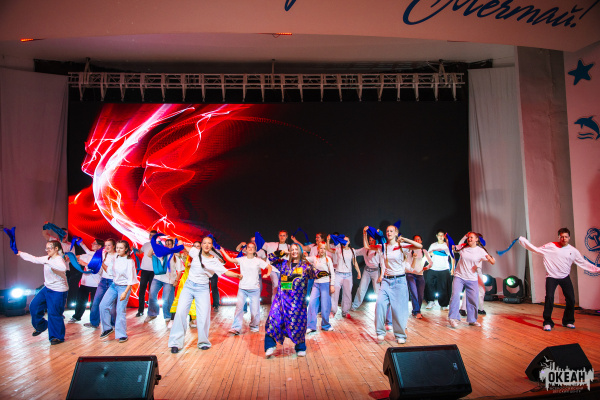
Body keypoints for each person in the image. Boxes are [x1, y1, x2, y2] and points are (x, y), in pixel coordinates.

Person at [168, 237, 241, 353]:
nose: (207, 245)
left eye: (209, 243)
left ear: (211, 246)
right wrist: (179, 243)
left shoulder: (214, 261)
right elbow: (183, 247)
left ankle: (203, 342)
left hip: (202, 289)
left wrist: (237, 275)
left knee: (203, 315)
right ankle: (175, 343)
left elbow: (226, 272)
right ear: (201, 245)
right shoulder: (195, 252)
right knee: (180, 312)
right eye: (205, 243)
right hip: (188, 286)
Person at [519, 228, 600, 331]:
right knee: (549, 298)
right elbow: (536, 249)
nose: (564, 239)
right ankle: (547, 322)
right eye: (562, 237)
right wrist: (523, 241)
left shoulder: (573, 251)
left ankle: (568, 321)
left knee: (571, 299)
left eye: (566, 237)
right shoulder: (551, 246)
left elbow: (583, 263)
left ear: (569, 237)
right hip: (551, 277)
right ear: (559, 237)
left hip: (565, 277)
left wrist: (597, 269)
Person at [364, 225, 422, 344]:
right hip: (386, 281)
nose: (389, 233)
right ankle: (380, 332)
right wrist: (364, 234)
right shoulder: (383, 246)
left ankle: (400, 335)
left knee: (398, 310)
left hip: (399, 281)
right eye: (387, 231)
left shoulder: (401, 246)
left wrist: (404, 239)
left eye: (391, 231)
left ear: (396, 233)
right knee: (380, 304)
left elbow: (419, 246)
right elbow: (367, 246)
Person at [264, 243, 319, 357]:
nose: (294, 251)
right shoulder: (283, 264)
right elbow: (270, 258)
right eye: (292, 249)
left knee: (298, 325)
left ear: (300, 252)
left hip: (297, 303)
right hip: (281, 300)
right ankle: (270, 345)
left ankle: (300, 348)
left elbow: (316, 273)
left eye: (296, 249)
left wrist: (325, 271)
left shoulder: (305, 266)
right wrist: (282, 252)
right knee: (272, 320)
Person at [18, 240, 68, 344]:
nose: (47, 250)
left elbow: (62, 268)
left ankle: (57, 337)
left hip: (58, 290)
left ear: (56, 249)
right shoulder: (47, 258)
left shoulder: (59, 259)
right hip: (47, 288)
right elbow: (34, 259)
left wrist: (47, 262)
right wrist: (20, 253)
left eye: (50, 248)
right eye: (46, 248)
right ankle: (41, 326)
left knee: (54, 313)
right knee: (34, 306)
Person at [220, 242, 272, 334]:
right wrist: (222, 250)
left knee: (255, 311)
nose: (250, 249)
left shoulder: (258, 260)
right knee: (239, 308)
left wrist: (267, 274)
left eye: (252, 247)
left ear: (255, 250)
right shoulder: (242, 259)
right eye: (249, 247)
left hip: (254, 289)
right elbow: (230, 260)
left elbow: (269, 267)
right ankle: (236, 328)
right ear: (246, 249)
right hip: (242, 289)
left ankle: (254, 325)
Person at [447, 232, 495, 328]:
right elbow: (454, 247)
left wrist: (490, 258)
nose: (469, 239)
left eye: (471, 237)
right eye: (468, 237)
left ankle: (472, 320)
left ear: (476, 239)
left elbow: (492, 262)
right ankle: (452, 318)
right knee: (455, 295)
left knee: (473, 299)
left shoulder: (481, 251)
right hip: (459, 276)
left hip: (472, 278)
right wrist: (462, 236)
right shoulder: (463, 247)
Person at [99, 240, 138, 342]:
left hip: (124, 287)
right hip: (114, 285)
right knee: (103, 305)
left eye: (121, 248)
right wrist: (101, 262)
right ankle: (107, 328)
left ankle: (122, 334)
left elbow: (131, 279)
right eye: (117, 248)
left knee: (120, 310)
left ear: (126, 249)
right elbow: (109, 271)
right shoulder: (115, 258)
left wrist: (125, 292)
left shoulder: (129, 261)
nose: (118, 250)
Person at [146, 238, 184, 324]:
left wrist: (176, 281)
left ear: (172, 245)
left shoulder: (175, 255)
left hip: (169, 280)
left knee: (166, 298)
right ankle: (152, 314)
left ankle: (168, 316)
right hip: (158, 278)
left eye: (169, 244)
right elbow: (149, 255)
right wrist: (154, 245)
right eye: (166, 244)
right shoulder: (160, 253)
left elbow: (180, 270)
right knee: (151, 294)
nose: (167, 245)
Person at [68, 239, 104, 323]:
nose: (92, 244)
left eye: (95, 243)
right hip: (84, 283)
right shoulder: (87, 255)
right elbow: (76, 257)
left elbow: (98, 270)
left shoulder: (102, 256)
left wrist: (85, 264)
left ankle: (94, 321)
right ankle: (76, 317)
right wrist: (68, 256)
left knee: (94, 304)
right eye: (93, 242)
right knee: (80, 301)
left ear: (99, 246)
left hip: (96, 284)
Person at [84, 238, 117, 329]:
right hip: (103, 281)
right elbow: (91, 254)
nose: (107, 247)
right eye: (105, 245)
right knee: (96, 302)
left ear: (114, 246)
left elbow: (110, 271)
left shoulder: (117, 256)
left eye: (109, 245)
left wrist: (101, 262)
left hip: (112, 282)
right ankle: (94, 322)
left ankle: (113, 323)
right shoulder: (103, 254)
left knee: (112, 304)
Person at [327, 235, 361, 318]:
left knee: (347, 294)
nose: (345, 242)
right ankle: (333, 311)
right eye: (343, 240)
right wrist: (328, 240)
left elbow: (354, 262)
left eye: (346, 241)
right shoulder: (338, 249)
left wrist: (359, 272)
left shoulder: (352, 251)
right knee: (334, 293)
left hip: (348, 275)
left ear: (349, 242)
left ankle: (345, 311)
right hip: (338, 274)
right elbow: (328, 249)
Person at [306, 242, 335, 332]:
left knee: (325, 305)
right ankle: (311, 326)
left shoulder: (328, 259)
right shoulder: (315, 258)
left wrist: (332, 285)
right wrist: (301, 254)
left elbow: (332, 273)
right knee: (312, 303)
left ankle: (325, 325)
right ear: (318, 249)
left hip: (326, 283)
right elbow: (304, 258)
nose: (322, 250)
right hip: (316, 284)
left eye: (324, 248)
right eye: (321, 248)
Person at [405, 235, 433, 319]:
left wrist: (426, 267)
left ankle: (416, 310)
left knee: (420, 295)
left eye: (418, 239)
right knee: (414, 293)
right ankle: (417, 311)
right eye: (415, 240)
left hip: (420, 275)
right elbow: (406, 262)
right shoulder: (409, 250)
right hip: (410, 274)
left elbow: (431, 262)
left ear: (421, 241)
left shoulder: (424, 251)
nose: (417, 241)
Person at [351, 235, 382, 310]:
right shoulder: (365, 248)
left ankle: (380, 307)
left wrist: (381, 275)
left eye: (372, 240)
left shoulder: (378, 248)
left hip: (375, 271)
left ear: (375, 241)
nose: (371, 242)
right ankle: (355, 306)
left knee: (377, 290)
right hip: (367, 270)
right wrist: (351, 250)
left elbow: (382, 263)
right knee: (361, 289)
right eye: (370, 240)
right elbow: (356, 252)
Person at [425, 229, 454, 310]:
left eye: (442, 235)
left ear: (444, 236)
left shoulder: (447, 245)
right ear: (436, 236)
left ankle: (444, 304)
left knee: (443, 287)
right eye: (439, 235)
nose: (441, 237)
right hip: (433, 268)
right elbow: (428, 254)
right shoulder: (433, 245)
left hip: (444, 269)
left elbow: (452, 257)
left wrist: (452, 269)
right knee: (429, 285)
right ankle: (431, 301)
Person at [169, 248, 197, 328]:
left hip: (196, 281)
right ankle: (173, 319)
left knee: (193, 300)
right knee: (179, 298)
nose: (196, 248)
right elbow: (177, 253)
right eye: (195, 246)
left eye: (198, 246)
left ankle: (192, 320)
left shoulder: (202, 257)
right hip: (185, 280)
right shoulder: (186, 256)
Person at [263, 230, 291, 304]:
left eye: (284, 235)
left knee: (286, 289)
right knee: (275, 286)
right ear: (278, 236)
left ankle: (284, 307)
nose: (282, 237)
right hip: (273, 269)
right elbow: (260, 244)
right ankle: (274, 306)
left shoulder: (290, 247)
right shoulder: (271, 245)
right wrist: (255, 238)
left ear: (286, 237)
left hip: (285, 271)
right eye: (280, 235)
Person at [137, 230, 157, 317]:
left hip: (154, 271)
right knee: (142, 291)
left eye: (153, 235)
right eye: (150, 235)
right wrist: (134, 249)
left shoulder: (159, 246)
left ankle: (152, 311)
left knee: (152, 292)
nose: (151, 237)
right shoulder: (145, 244)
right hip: (144, 270)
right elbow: (139, 252)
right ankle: (140, 310)